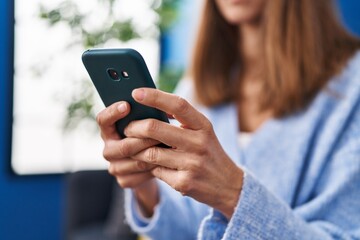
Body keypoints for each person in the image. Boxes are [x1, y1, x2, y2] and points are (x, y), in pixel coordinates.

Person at [96, 0, 360, 239]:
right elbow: (193, 228)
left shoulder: (352, 87)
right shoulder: (196, 89)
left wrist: (232, 194)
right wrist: (146, 188)